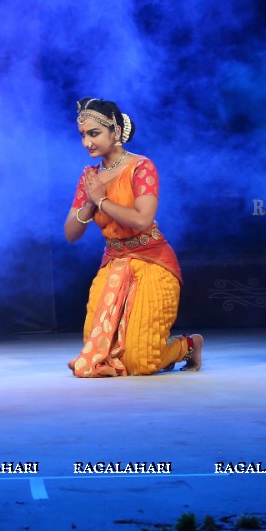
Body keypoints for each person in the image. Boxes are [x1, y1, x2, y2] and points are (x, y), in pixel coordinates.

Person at [65, 98, 201, 377]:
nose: (87, 143)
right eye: (82, 135)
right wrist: (91, 202)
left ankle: (187, 346)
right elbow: (71, 233)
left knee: (141, 363)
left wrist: (101, 201)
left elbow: (142, 220)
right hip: (114, 264)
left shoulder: (141, 167)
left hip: (152, 262)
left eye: (94, 134)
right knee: (95, 359)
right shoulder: (90, 178)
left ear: (115, 132)